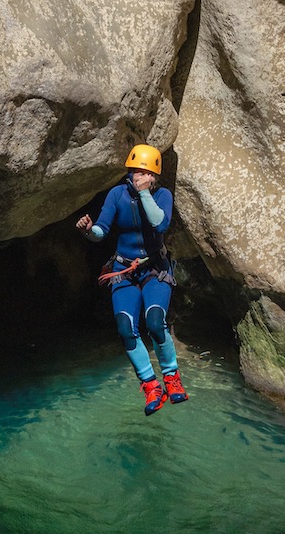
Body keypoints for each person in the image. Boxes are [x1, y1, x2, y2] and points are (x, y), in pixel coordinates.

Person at [76, 144, 189, 416]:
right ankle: (151, 385)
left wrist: (144, 194)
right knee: (126, 327)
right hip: (124, 270)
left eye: (145, 172)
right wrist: (90, 232)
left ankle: (172, 378)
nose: (139, 176)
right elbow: (102, 230)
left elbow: (159, 224)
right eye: (136, 171)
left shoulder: (162, 195)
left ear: (154, 176)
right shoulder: (117, 194)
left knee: (154, 321)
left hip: (154, 269)